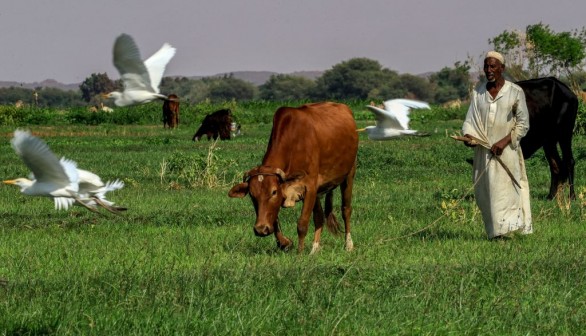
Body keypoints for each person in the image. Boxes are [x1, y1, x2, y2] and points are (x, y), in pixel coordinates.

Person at [462, 51, 532, 240]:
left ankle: (504, 233)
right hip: (484, 152)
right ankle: (495, 232)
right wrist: (469, 137)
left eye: (493, 66)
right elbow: (470, 120)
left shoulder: (515, 91)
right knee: (486, 194)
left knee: (506, 192)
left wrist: (504, 141)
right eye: (486, 66)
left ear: (502, 68)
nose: (489, 70)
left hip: (506, 151)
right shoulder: (479, 92)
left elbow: (523, 124)